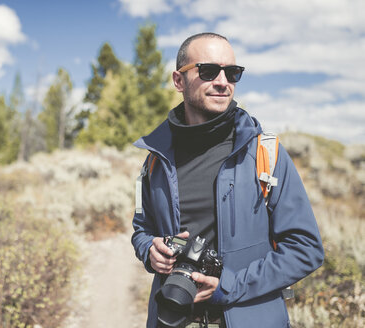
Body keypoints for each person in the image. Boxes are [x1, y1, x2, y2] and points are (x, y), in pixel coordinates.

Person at [131, 32, 324, 328]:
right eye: (208, 71)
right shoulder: (156, 159)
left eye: (232, 73)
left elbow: (305, 249)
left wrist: (229, 285)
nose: (223, 82)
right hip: (171, 317)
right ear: (178, 80)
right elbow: (142, 229)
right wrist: (149, 250)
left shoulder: (265, 153)